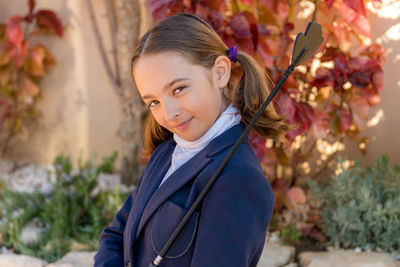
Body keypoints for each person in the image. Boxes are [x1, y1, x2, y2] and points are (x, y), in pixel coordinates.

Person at [94, 12, 287, 267]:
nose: (168, 113)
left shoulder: (238, 179)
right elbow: (117, 235)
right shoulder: (167, 152)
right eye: (153, 101)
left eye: (179, 89)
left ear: (220, 72)